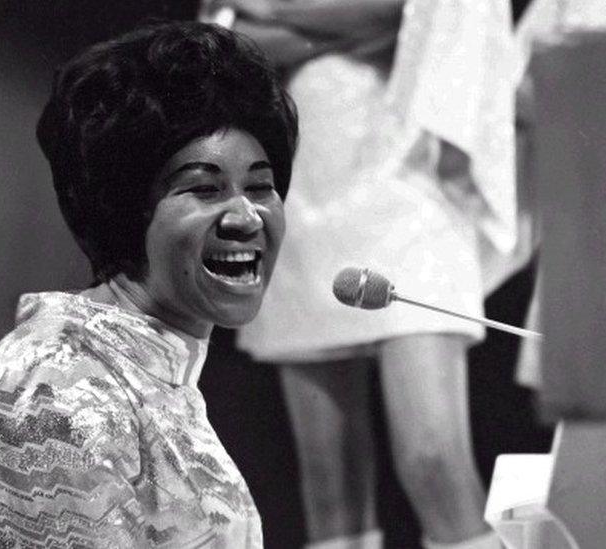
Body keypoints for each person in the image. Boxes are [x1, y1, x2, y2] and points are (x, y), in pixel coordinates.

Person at [0, 20, 297, 548]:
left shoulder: (142, 375)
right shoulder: (60, 389)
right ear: (124, 210)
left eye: (261, 186)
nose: (247, 216)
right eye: (204, 189)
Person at [204, 1, 524, 548]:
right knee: (330, 488)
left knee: (432, 458)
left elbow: (411, 12)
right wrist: (344, 28)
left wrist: (277, 9)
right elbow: (226, 39)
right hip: (312, 171)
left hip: (411, 173)